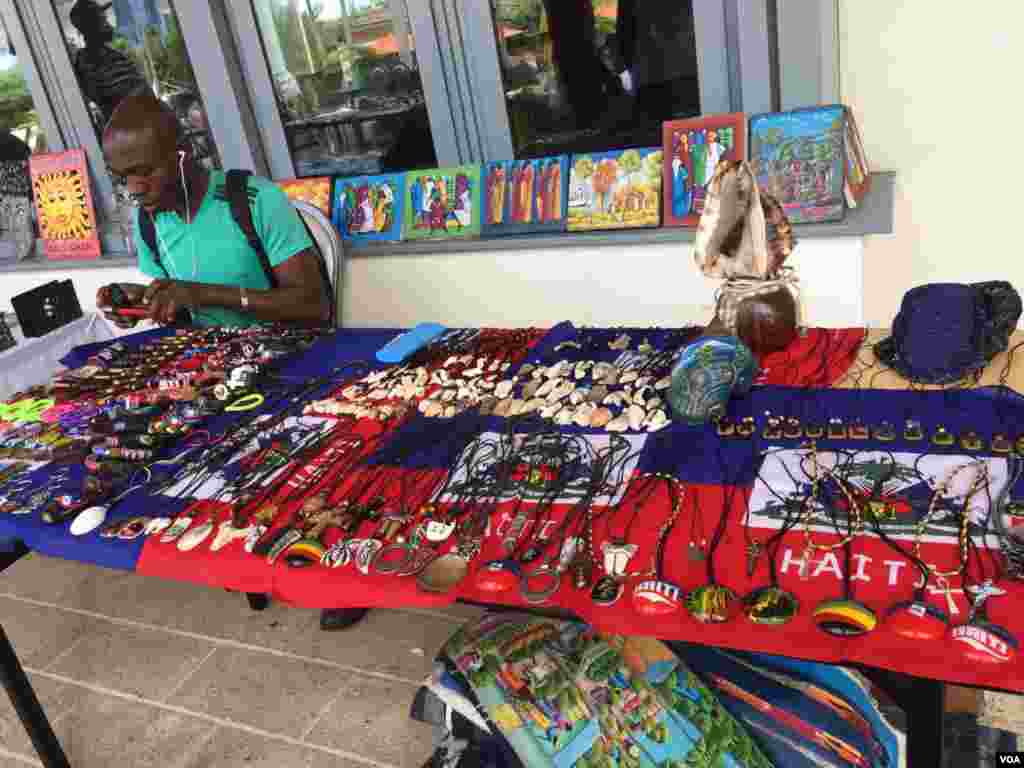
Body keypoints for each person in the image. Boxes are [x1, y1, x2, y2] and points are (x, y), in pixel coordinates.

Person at [96, 91, 366, 632]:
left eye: (143, 171)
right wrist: (146, 303)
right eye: (120, 176)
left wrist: (205, 294)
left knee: (320, 467)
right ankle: (250, 551)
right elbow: (182, 307)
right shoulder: (150, 224)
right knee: (144, 430)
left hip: (297, 356)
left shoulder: (252, 201)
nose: (133, 188)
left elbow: (312, 305)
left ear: (180, 153)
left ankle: (340, 572)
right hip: (221, 365)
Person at [69, 0, 150, 127]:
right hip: (129, 132)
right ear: (90, 26)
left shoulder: (113, 54)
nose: (109, 26)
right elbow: (115, 98)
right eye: (103, 20)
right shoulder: (87, 62)